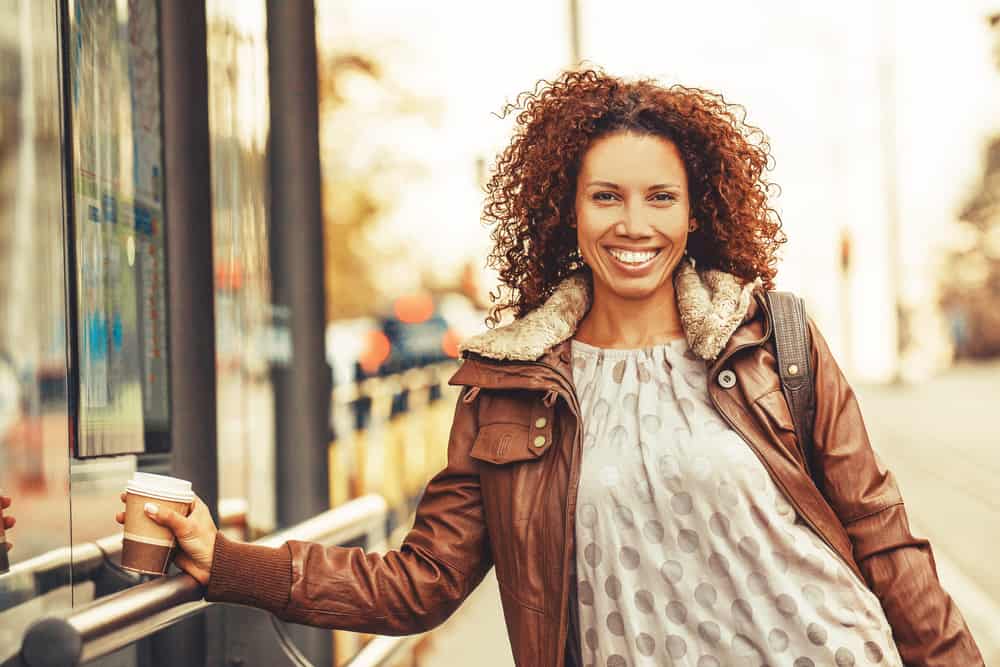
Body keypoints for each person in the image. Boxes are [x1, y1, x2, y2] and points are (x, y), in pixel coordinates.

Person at [6, 69, 983, 666]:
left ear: (696, 212)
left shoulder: (777, 340)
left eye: (658, 198)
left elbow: (885, 543)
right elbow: (418, 583)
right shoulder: (509, 380)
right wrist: (232, 565)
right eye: (606, 196)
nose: (632, 225)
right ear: (568, 210)